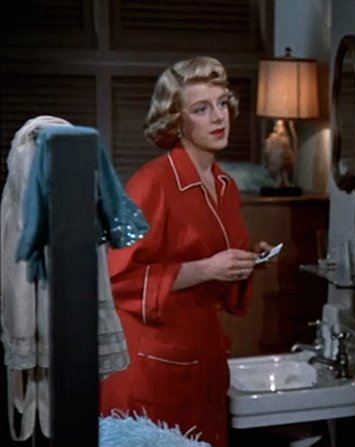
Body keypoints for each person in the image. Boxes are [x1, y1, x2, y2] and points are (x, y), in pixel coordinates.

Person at [99, 56, 271, 447]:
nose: (219, 117)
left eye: (222, 103)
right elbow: (115, 278)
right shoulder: (151, 183)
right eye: (201, 109)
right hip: (153, 363)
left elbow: (214, 259)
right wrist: (206, 269)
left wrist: (246, 261)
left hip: (203, 354)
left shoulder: (225, 185)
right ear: (177, 121)